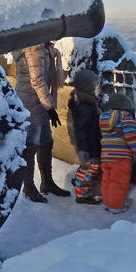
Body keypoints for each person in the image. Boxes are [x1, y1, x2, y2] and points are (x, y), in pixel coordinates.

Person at [14, 42, 70, 202]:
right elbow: (37, 81)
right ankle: (29, 187)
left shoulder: (44, 49)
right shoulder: (32, 50)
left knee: (46, 142)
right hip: (30, 103)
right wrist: (50, 108)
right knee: (30, 146)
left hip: (41, 103)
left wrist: (48, 107)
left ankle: (47, 183)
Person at [99, 92, 136, 213]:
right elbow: (131, 137)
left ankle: (107, 202)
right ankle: (115, 206)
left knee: (107, 180)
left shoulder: (103, 118)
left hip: (106, 156)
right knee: (118, 182)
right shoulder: (126, 117)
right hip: (121, 157)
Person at [67, 68, 102, 204]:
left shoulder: (86, 101)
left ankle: (80, 182)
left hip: (90, 142)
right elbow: (81, 129)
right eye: (94, 83)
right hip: (88, 145)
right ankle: (82, 195)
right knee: (89, 169)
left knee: (88, 169)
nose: (96, 86)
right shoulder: (85, 106)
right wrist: (83, 149)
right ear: (87, 86)